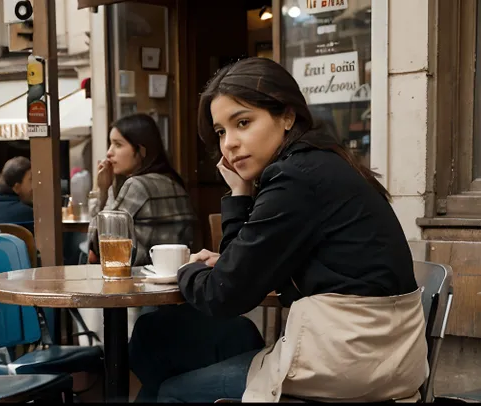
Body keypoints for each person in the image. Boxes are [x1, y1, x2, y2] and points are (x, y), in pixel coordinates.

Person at [128, 57, 427, 403]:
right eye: (221, 131)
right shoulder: (321, 162)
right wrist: (240, 194)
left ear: (287, 116)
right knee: (168, 339)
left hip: (345, 364)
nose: (229, 143)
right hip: (379, 356)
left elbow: (223, 295)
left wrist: (185, 270)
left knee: (171, 389)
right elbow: (235, 273)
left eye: (243, 122)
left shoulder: (293, 178)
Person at [87, 113, 196, 266]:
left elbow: (98, 245)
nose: (109, 152)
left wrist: (102, 190)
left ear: (141, 151)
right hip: (174, 275)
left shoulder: (137, 186)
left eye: (118, 145)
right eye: (110, 144)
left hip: (140, 280)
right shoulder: (174, 182)